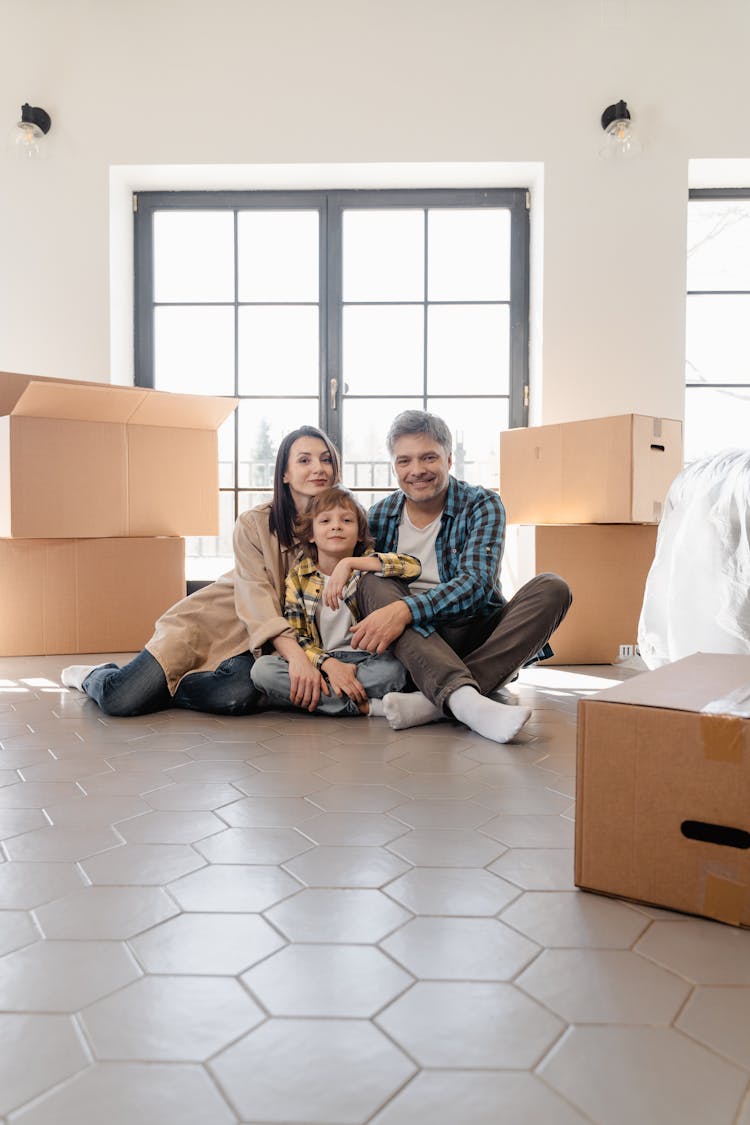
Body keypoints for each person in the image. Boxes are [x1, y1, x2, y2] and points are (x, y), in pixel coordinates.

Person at [61, 426, 340, 716]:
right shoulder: (254, 523)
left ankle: (164, 690)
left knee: (236, 696)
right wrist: (298, 659)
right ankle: (94, 675)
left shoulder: (342, 524)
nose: (318, 468)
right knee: (121, 700)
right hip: (209, 626)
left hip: (258, 645)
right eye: (305, 460)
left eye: (326, 459)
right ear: (285, 474)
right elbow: (258, 602)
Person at [351, 409, 573, 744]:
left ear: (449, 459)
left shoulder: (481, 504)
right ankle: (466, 701)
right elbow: (368, 594)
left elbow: (476, 584)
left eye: (429, 457)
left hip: (474, 629)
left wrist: (406, 610)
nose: (416, 471)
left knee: (553, 588)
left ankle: (436, 702)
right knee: (371, 580)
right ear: (394, 465)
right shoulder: (380, 515)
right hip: (416, 644)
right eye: (404, 461)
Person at [250, 484, 420, 716]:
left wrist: (350, 564)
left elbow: (413, 567)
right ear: (310, 534)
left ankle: (316, 700)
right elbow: (298, 635)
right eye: (325, 521)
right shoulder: (299, 577)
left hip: (366, 660)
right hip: (320, 661)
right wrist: (328, 665)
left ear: (360, 533)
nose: (336, 526)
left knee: (395, 670)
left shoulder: (367, 567)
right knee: (263, 670)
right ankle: (364, 706)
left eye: (347, 521)